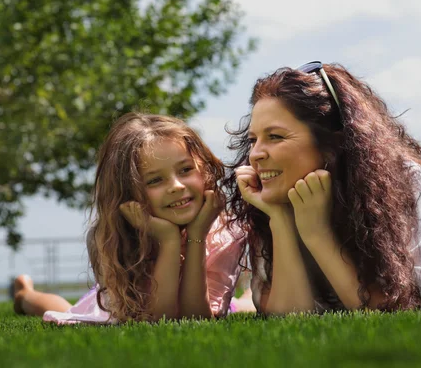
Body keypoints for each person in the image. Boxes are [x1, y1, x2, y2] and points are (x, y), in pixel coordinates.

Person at [224, 61, 421, 315]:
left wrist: (317, 233)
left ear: (331, 144)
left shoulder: (402, 180)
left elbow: (402, 308)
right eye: (253, 140)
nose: (256, 154)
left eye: (275, 136)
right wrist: (281, 220)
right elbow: (287, 315)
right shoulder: (266, 200)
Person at [13, 112, 249, 324]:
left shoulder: (226, 234)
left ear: (204, 171)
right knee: (66, 309)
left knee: (244, 306)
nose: (176, 186)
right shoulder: (115, 237)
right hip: (118, 307)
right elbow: (158, 319)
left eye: (186, 170)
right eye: (155, 180)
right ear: (127, 193)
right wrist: (169, 241)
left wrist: (196, 235)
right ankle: (26, 295)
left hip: (212, 299)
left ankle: (249, 293)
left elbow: (197, 317)